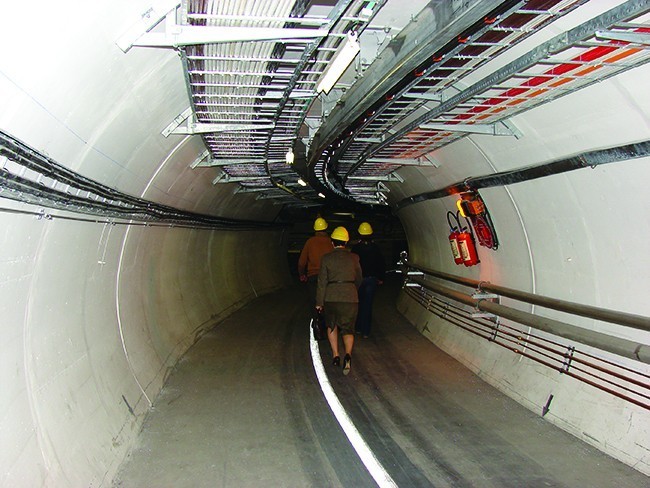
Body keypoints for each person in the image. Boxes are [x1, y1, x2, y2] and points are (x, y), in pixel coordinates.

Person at [316, 226, 362, 375]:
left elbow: (322, 282)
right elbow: (359, 278)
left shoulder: (327, 259)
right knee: (348, 329)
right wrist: (352, 289)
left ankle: (336, 355)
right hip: (350, 297)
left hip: (331, 297)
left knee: (332, 326)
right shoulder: (354, 258)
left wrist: (319, 302)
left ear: (332, 242)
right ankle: (348, 355)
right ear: (346, 242)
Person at [351, 222, 385, 338]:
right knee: (368, 305)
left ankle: (358, 327)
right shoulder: (375, 248)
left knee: (359, 303)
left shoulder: (355, 248)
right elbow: (381, 263)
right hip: (371, 280)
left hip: (359, 280)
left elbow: (352, 264)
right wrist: (380, 278)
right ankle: (366, 331)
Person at [298, 217, 334, 305]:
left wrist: (302, 275)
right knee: (327, 302)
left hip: (313, 276)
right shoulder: (331, 242)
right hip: (328, 277)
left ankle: (316, 317)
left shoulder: (310, 242)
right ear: (326, 228)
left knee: (315, 302)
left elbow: (301, 263)